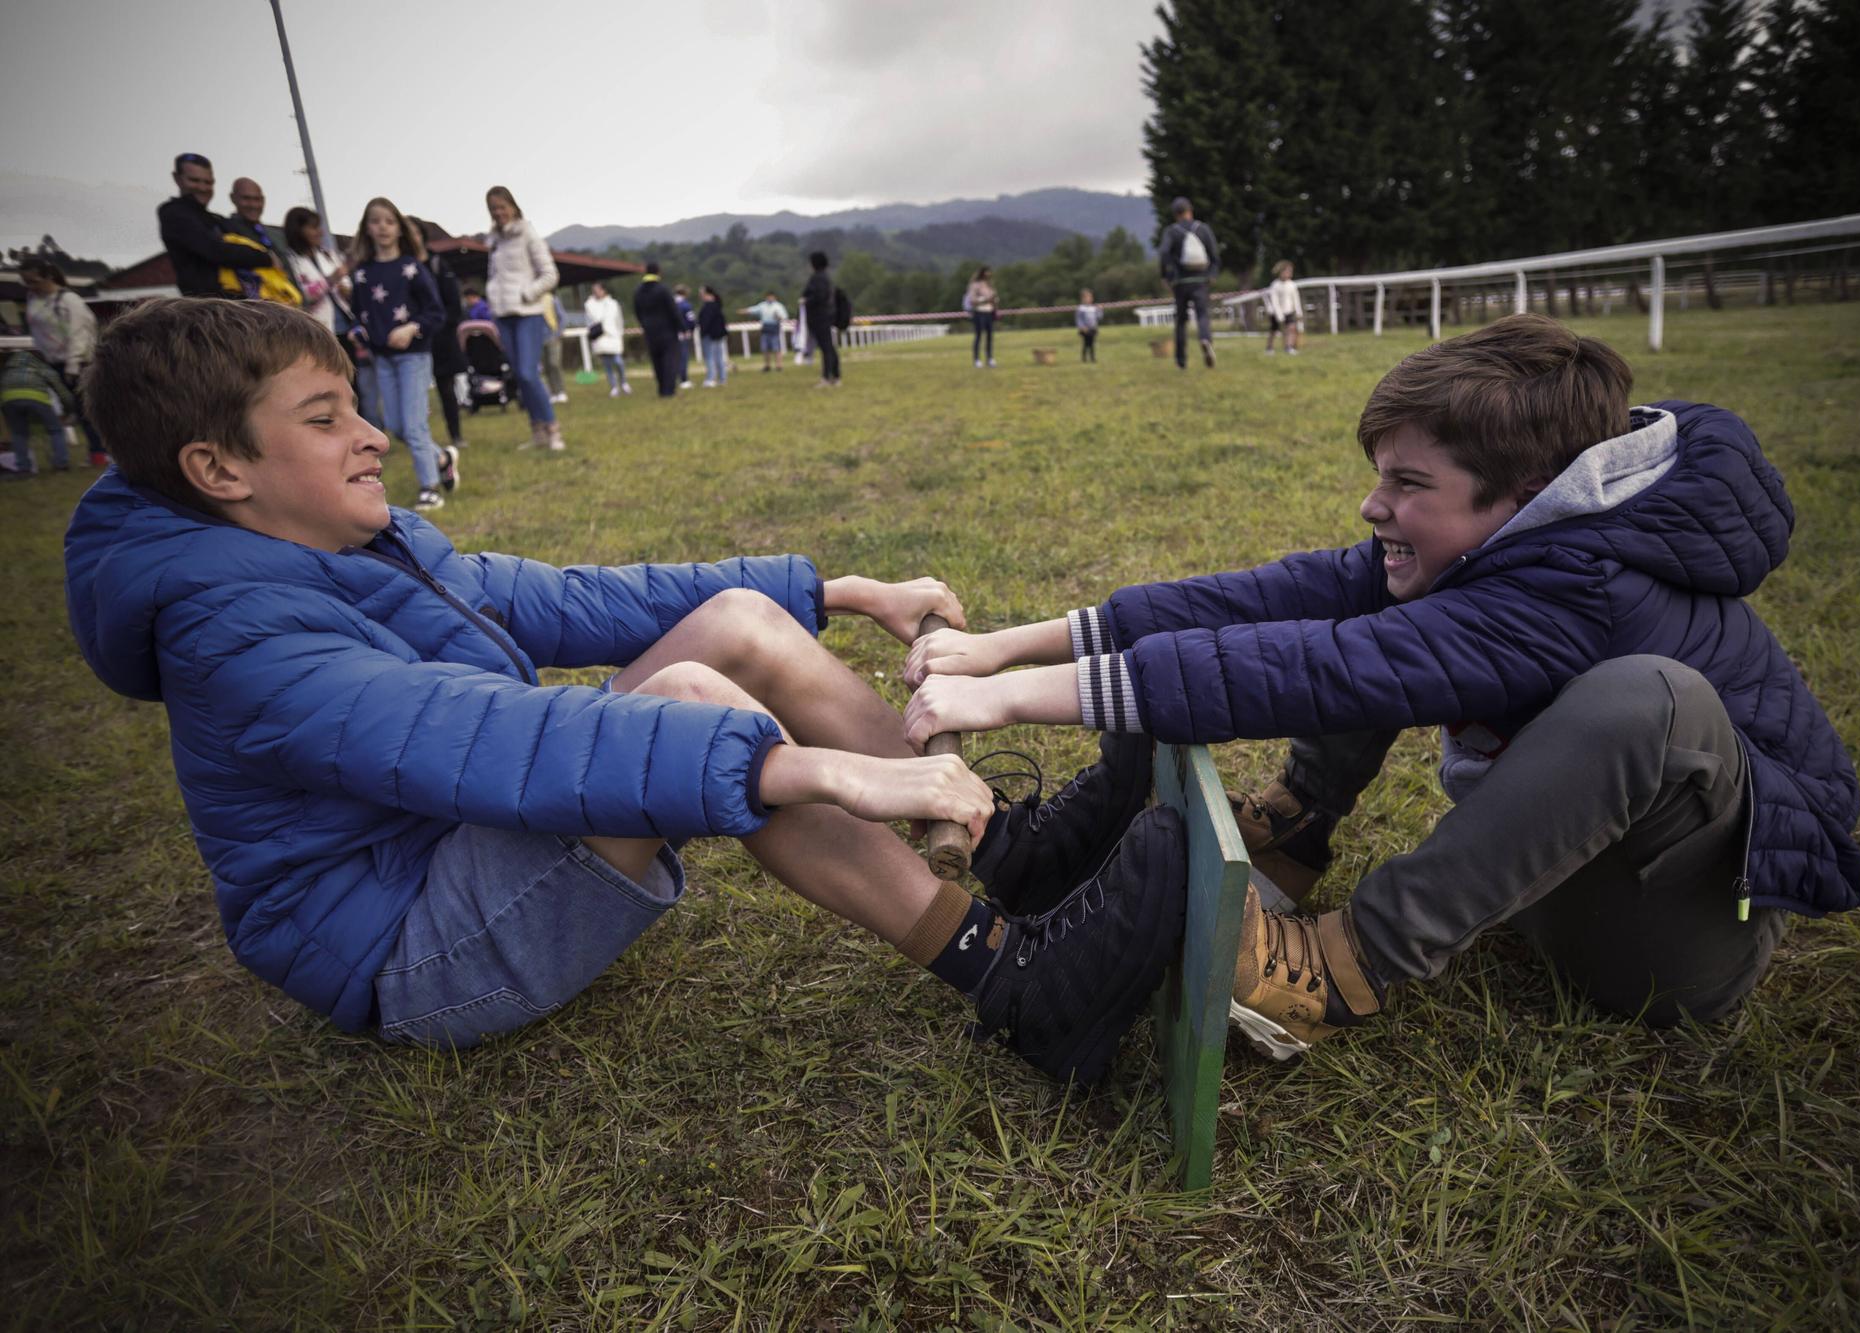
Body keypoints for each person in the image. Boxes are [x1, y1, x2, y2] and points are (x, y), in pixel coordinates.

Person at [62, 296, 1187, 1087]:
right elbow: (480, 737)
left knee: (733, 631)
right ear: (220, 470)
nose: (371, 437)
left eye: (356, 406)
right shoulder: (228, 628)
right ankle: (1018, 983)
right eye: (324, 421)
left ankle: (1011, 853)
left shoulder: (359, 541)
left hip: (466, 842)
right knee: (693, 701)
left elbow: (584, 601)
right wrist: (810, 764)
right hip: (413, 951)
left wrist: (838, 589)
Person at [901, 313, 1860, 1059]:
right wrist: (996, 650)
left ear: (1524, 498)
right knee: (1379, 604)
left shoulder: (1579, 584)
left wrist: (1001, 702)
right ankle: (1292, 829)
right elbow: (1265, 603)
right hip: (1556, 877)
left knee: (1648, 699)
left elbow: (1309, 670)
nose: (1374, 503)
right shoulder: (1514, 538)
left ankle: (1332, 969)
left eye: (1408, 483)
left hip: (1668, 956)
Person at [347, 196, 456, 511]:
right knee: (395, 425)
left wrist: (411, 328)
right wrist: (360, 333)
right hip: (382, 358)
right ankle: (442, 457)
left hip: (415, 356)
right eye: (375, 221)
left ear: (399, 228)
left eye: (389, 221)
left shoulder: (412, 268)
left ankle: (430, 486)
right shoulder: (362, 275)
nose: (382, 227)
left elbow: (436, 312)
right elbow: (357, 315)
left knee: (414, 424)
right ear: (366, 228)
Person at [483, 185, 565, 451]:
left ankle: (553, 429)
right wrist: (494, 300)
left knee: (530, 373)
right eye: (493, 209)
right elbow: (494, 276)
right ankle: (537, 430)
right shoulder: (494, 241)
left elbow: (550, 274)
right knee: (519, 375)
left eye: (502, 207)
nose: (498, 213)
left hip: (528, 313)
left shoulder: (528, 234)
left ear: (513, 206)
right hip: (503, 315)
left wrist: (528, 293)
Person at [21, 258, 107, 466]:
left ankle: (100, 453)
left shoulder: (69, 300)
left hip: (77, 363)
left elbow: (80, 333)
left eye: (34, 281)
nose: (31, 286)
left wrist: (73, 364)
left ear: (49, 277)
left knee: (87, 410)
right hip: (51, 362)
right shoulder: (33, 299)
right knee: (74, 411)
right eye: (26, 282)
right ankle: (90, 452)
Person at [157, 152, 275, 297]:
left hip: (239, 302)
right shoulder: (174, 213)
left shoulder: (214, 219)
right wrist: (266, 258)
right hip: (210, 308)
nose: (202, 187)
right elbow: (215, 250)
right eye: (194, 180)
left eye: (208, 182)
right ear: (177, 179)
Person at [407, 217, 469, 453]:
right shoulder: (400, 266)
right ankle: (421, 440)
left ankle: (456, 434)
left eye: (413, 232)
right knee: (416, 394)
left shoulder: (437, 264)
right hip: (412, 340)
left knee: (446, 388)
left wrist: (438, 326)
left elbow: (454, 304)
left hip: (440, 338)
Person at [1157, 196, 1219, 370]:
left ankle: (1181, 361)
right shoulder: (1203, 229)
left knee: (1181, 321)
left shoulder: (1171, 231)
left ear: (1175, 214)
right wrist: (1211, 274)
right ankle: (1205, 339)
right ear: (1190, 211)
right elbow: (1214, 255)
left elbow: (1163, 253)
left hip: (1180, 282)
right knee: (1202, 315)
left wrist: (1166, 276)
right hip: (1201, 280)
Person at [219, 177, 301, 305]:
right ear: (233, 198)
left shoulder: (277, 235)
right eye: (246, 199)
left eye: (257, 199)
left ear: (263, 200)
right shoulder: (226, 231)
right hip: (259, 309)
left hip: (293, 305)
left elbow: (291, 273)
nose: (253, 205)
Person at [1, 348, 76, 476]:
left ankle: (23, 468)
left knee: (18, 434)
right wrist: (69, 409)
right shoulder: (41, 366)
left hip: (8, 399)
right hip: (37, 398)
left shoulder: (9, 369)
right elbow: (61, 391)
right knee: (56, 429)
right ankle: (61, 465)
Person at [282, 207, 351, 331]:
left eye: (319, 227)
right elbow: (300, 296)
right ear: (298, 231)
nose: (320, 232)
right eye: (314, 227)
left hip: (348, 325)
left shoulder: (328, 255)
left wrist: (347, 291)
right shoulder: (289, 262)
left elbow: (346, 283)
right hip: (319, 331)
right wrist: (330, 280)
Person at [633, 262, 684, 397]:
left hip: (650, 331)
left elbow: (637, 311)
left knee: (657, 361)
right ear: (658, 272)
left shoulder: (638, 291)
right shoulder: (663, 289)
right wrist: (682, 327)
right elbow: (673, 310)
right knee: (670, 360)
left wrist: (644, 324)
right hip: (667, 331)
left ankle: (661, 389)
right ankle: (669, 390)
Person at [802, 252, 840, 388]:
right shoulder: (826, 277)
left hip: (820, 317)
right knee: (829, 347)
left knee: (826, 348)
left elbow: (819, 296)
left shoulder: (818, 278)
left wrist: (806, 301)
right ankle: (835, 376)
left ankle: (827, 377)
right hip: (825, 316)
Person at [585, 282, 629, 396]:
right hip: (600, 337)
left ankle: (624, 382)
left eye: (598, 290)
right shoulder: (590, 305)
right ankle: (614, 386)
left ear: (603, 290)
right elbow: (590, 322)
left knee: (618, 361)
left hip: (613, 336)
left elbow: (619, 320)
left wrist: (620, 332)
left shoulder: (612, 304)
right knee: (607, 364)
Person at [743, 291, 787, 372]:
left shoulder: (778, 306)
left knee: (776, 348)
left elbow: (784, 317)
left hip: (774, 327)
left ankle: (779, 366)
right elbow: (753, 309)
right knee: (765, 348)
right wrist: (744, 311)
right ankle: (767, 366)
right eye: (768, 297)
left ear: (775, 297)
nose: (770, 298)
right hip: (765, 328)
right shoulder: (762, 305)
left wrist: (778, 317)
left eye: (771, 297)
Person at [1265, 260, 1303, 356]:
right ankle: (1269, 348)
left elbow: (1296, 299)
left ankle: (1288, 347)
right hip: (1276, 313)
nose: (1289, 273)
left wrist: (1298, 312)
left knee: (1291, 328)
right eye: (1287, 271)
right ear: (1281, 272)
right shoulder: (1275, 285)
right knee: (1274, 330)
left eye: (1290, 271)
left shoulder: (1292, 285)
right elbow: (1275, 301)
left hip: (1288, 311)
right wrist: (1279, 315)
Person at [697, 285, 729, 387]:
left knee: (709, 357)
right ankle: (722, 378)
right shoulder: (717, 305)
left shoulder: (708, 307)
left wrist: (703, 332)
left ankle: (711, 378)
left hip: (709, 335)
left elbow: (705, 322)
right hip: (718, 335)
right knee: (719, 357)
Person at [966, 267, 998, 368]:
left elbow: (994, 298)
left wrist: (994, 303)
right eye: (987, 272)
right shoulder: (975, 285)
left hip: (989, 312)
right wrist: (985, 300)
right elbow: (972, 301)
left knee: (989, 337)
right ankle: (977, 359)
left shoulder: (990, 285)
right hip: (979, 313)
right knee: (978, 336)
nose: (988, 275)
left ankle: (990, 358)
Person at [673, 285, 696, 389]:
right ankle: (684, 380)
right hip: (683, 334)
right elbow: (691, 320)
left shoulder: (671, 304)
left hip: (671, 334)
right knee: (683, 357)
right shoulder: (686, 305)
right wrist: (691, 329)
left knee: (674, 358)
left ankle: (674, 378)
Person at [1075, 289, 1102, 363]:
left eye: (1090, 297)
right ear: (1082, 299)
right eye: (1087, 298)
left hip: (1093, 328)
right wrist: (1082, 327)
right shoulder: (1081, 308)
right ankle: (1084, 358)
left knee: (1092, 344)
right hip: (1085, 329)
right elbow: (1079, 319)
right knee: (1086, 344)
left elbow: (1099, 317)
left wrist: (1100, 310)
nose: (1089, 299)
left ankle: (1092, 358)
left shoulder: (1094, 308)